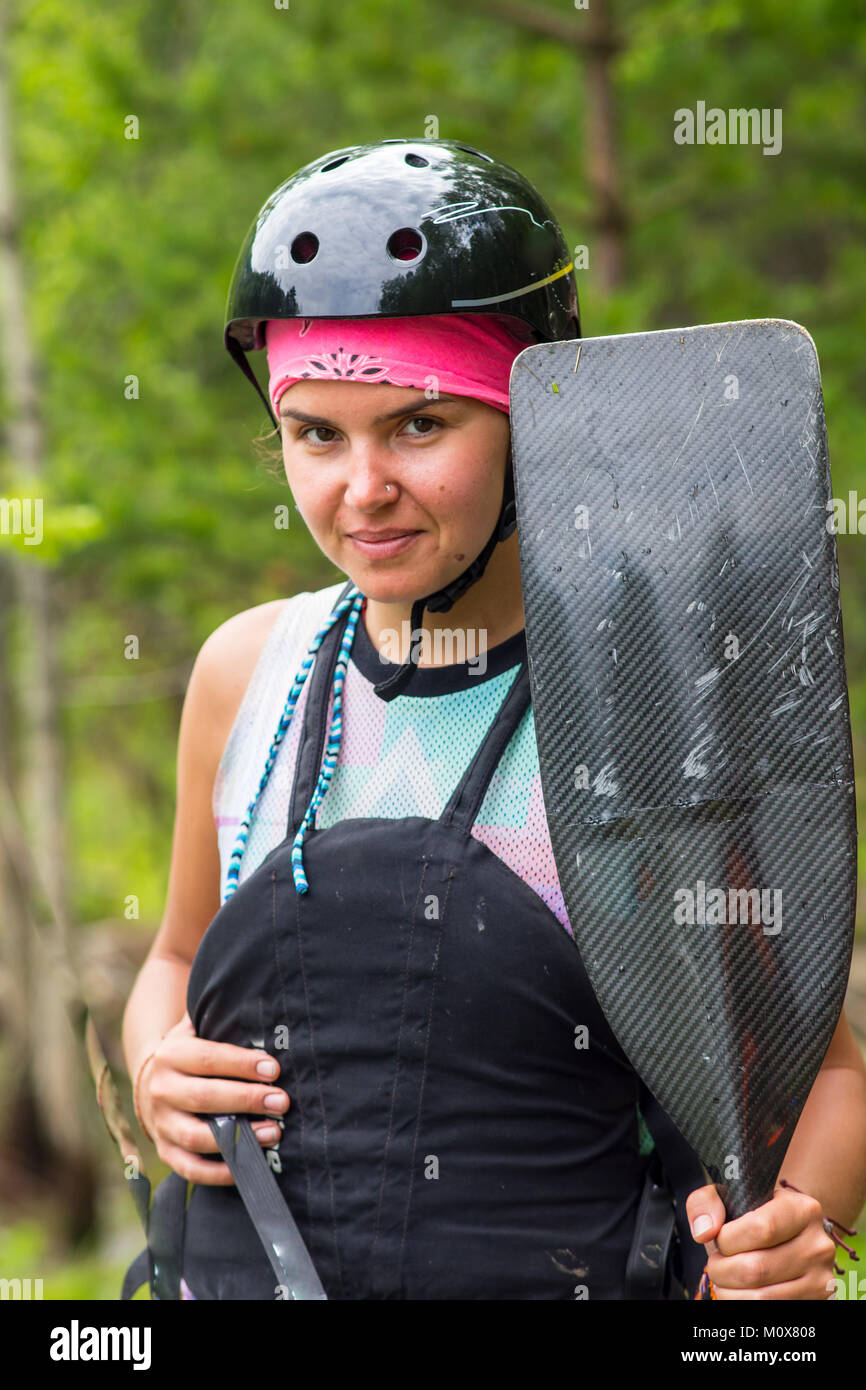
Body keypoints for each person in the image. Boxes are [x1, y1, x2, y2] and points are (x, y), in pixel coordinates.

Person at [121, 138, 866, 1300]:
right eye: (316, 434)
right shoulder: (247, 674)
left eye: (420, 425)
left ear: (533, 419)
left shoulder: (657, 695)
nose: (359, 489)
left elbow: (821, 1076)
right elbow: (173, 955)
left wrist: (779, 1240)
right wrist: (157, 1059)